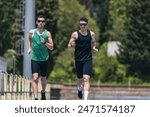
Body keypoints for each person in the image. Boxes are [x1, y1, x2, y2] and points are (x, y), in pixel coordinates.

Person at [67, 17, 98, 100]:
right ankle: (79, 88)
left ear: (86, 25)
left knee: (86, 78)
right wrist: (72, 44)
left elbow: (93, 42)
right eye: (81, 24)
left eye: (84, 24)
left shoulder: (91, 34)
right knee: (80, 79)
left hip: (88, 58)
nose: (82, 26)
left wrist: (94, 48)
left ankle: (85, 100)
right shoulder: (75, 34)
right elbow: (69, 45)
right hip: (78, 59)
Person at [28, 15, 54, 100]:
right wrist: (29, 48)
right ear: (36, 22)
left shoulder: (47, 33)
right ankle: (35, 98)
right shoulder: (32, 32)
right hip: (35, 59)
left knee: (43, 78)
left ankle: (43, 92)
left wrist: (45, 42)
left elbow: (52, 47)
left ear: (45, 23)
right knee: (35, 78)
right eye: (39, 21)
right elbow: (29, 39)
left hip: (44, 59)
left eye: (42, 21)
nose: (40, 23)